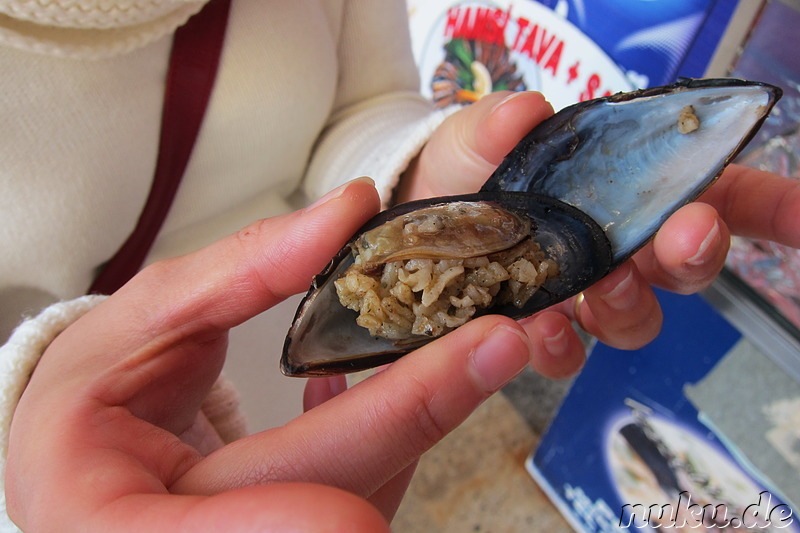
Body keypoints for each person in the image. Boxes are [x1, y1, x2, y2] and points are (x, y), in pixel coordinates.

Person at [1, 1, 798, 531]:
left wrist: (419, 176)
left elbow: (362, 101)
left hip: (350, 380)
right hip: (83, 460)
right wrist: (22, 436)